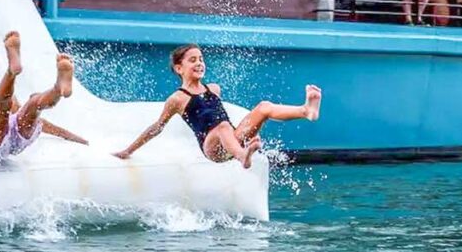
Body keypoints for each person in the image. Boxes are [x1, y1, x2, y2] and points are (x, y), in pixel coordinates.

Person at [112, 44, 322, 169]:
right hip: (212, 149)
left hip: (233, 140)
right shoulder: (177, 99)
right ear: (179, 68)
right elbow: (157, 127)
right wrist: (128, 150)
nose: (199, 63)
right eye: (192, 60)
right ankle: (243, 157)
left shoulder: (213, 88)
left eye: (201, 59)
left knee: (264, 107)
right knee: (222, 127)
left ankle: (306, 111)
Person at [0, 31, 87, 163]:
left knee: (33, 103)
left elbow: (34, 120)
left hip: (16, 139)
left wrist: (71, 136)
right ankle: (11, 71)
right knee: (0, 108)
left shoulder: (7, 97)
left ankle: (58, 88)